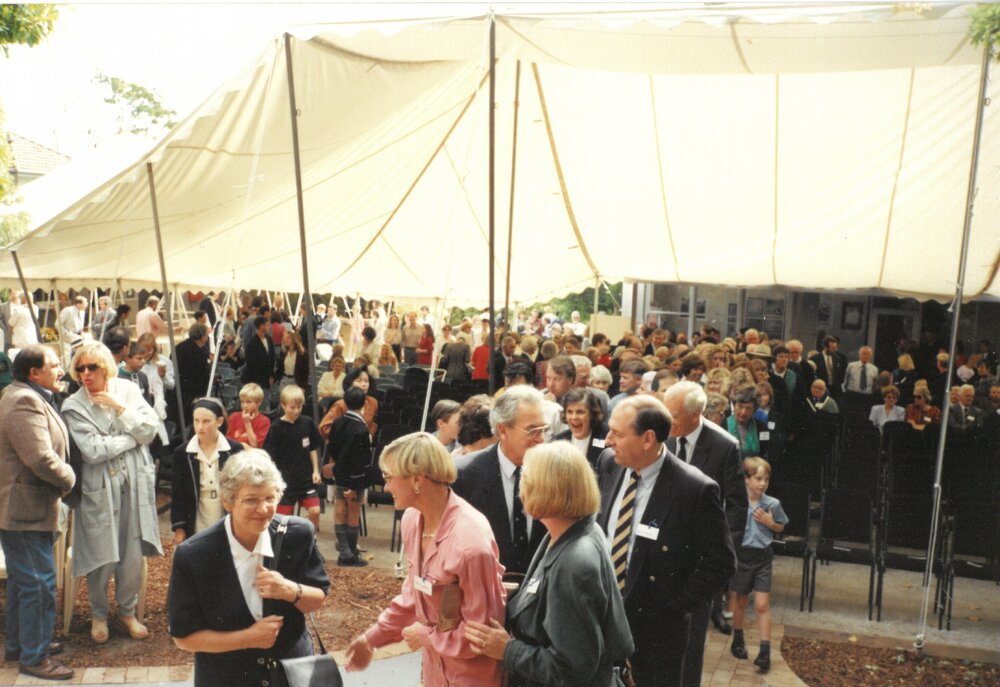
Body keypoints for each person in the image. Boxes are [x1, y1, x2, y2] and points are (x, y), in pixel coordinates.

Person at [464, 441, 634, 687]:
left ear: (542, 489)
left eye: (526, 477)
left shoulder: (575, 562)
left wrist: (507, 650)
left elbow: (572, 669)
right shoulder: (572, 531)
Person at [345, 433, 506, 686]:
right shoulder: (412, 520)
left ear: (417, 479)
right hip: (435, 670)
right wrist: (371, 639)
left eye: (389, 477)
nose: (385, 487)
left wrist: (426, 636)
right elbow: (412, 595)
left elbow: (482, 633)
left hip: (471, 677)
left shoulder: (470, 542)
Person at [597, 395, 735, 686]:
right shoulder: (610, 463)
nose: (608, 440)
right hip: (602, 623)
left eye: (618, 434)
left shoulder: (694, 489)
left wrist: (674, 609)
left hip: (656, 639)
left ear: (647, 439)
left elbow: (720, 563)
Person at [168, 450, 329, 687]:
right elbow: (184, 637)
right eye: (251, 499)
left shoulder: (299, 534)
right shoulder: (194, 554)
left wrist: (290, 590)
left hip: (292, 676)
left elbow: (319, 598)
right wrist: (247, 638)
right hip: (227, 679)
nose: (263, 509)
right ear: (228, 501)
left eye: (270, 498)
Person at [61, 342, 163, 645]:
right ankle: (99, 614)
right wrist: (131, 440)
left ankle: (127, 612)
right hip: (98, 488)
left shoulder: (128, 391)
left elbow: (149, 430)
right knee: (100, 554)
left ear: (106, 367)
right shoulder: (73, 406)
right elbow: (92, 451)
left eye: (93, 367)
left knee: (131, 554)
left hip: (133, 484)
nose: (86, 373)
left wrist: (120, 408)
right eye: (80, 368)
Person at [0, 345, 76, 680]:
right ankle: (35, 657)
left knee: (24, 583)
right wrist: (70, 480)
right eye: (55, 365)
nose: (62, 370)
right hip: (24, 511)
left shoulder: (24, 394)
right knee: (39, 584)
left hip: (26, 508)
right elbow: (40, 458)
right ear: (34, 373)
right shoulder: (23, 400)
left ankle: (22, 645)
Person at [663, 381, 746, 680]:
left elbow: (737, 507)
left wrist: (721, 557)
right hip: (662, 554)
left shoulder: (724, 446)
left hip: (699, 563)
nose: (666, 421)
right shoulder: (664, 437)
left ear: (696, 414)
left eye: (672, 415)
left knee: (692, 644)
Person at [453, 385, 550, 576]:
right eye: (532, 431)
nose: (541, 439)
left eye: (543, 430)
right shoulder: (464, 474)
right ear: (503, 430)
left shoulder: (552, 473)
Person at [729, 457, 788, 672]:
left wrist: (770, 523)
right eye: (758, 478)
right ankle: (738, 638)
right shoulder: (737, 503)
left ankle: (765, 652)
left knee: (762, 604)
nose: (763, 484)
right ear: (746, 479)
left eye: (766, 479)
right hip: (742, 556)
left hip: (763, 557)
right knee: (741, 600)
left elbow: (781, 527)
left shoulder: (772, 504)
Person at [171, 398, 244, 543]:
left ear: (219, 421)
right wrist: (179, 528)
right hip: (197, 517)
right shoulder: (183, 453)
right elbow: (178, 493)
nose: (200, 426)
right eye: (196, 420)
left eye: (206, 421)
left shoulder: (234, 450)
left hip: (224, 515)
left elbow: (240, 489)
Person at [323, 387, 373, 567]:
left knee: (339, 510)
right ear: (363, 404)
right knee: (352, 513)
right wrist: (354, 485)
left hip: (340, 475)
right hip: (355, 479)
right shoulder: (361, 429)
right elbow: (361, 460)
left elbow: (333, 450)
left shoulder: (337, 423)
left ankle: (345, 552)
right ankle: (349, 553)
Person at [263, 385, 323, 532]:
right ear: (283, 405)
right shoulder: (276, 428)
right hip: (285, 482)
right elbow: (269, 458)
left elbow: (313, 448)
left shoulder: (307, 423)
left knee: (315, 511)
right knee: (283, 521)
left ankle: (311, 541)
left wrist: (316, 471)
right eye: (292, 407)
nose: (296, 411)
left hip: (306, 480)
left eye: (299, 407)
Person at [553, 387, 608, 469]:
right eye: (570, 412)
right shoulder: (558, 441)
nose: (574, 417)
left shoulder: (607, 437)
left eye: (580, 412)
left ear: (592, 414)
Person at [319, 366, 379, 439]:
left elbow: (372, 424)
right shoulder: (340, 404)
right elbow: (324, 428)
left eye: (366, 381)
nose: (364, 384)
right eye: (359, 381)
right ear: (350, 383)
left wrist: (369, 433)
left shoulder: (372, 402)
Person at [176, 323, 212, 423]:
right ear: (202, 336)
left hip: (180, 390)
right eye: (206, 334)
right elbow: (201, 373)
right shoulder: (197, 353)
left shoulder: (179, 347)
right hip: (193, 392)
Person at [241, 316, 276, 405]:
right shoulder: (251, 344)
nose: (269, 327)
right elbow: (252, 365)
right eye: (267, 325)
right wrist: (259, 381)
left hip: (266, 378)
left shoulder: (269, 339)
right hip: (255, 379)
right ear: (261, 326)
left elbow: (272, 358)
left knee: (266, 401)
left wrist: (271, 375)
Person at [227, 383, 271, 450]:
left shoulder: (264, 421)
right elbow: (227, 441)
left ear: (259, 402)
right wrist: (241, 445)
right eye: (242, 402)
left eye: (249, 402)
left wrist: (247, 423)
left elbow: (254, 445)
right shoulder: (234, 417)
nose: (244, 405)